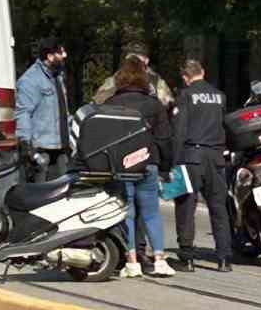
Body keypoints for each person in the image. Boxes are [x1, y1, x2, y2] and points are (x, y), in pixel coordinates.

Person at [105, 59, 175, 279]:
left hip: (122, 166)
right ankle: (160, 260)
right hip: (148, 163)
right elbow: (164, 139)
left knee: (128, 213)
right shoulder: (154, 105)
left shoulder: (110, 103)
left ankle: (132, 261)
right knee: (152, 213)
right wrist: (165, 167)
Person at [172, 57, 233, 272]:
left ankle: (186, 258)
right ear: (203, 72)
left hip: (190, 157)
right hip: (216, 157)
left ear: (185, 77)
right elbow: (225, 126)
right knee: (219, 208)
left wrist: (173, 163)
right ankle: (224, 258)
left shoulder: (185, 95)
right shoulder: (220, 96)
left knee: (185, 207)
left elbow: (179, 132)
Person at [15, 37, 71, 181]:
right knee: (41, 195)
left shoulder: (57, 76)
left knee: (62, 193)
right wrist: (26, 145)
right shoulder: (31, 79)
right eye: (60, 52)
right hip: (42, 150)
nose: (64, 55)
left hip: (61, 147)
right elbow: (23, 113)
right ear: (49, 56)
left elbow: (60, 110)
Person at [94, 51, 174, 107]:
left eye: (137, 62)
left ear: (146, 61)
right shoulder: (115, 78)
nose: (134, 65)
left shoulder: (156, 81)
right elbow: (99, 101)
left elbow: (168, 105)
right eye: (130, 62)